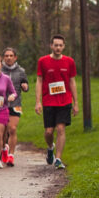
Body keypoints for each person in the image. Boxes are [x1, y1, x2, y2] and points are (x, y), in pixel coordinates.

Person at [35, 35, 78, 170]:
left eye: (60, 45)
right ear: (51, 46)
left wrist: (76, 102)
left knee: (60, 129)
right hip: (49, 100)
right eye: (56, 45)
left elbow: (72, 81)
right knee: (48, 132)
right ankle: (50, 148)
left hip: (64, 100)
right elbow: (39, 81)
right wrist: (38, 102)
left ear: (64, 46)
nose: (58, 47)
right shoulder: (43, 61)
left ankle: (58, 159)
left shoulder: (69, 62)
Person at [0, 47, 29, 166]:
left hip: (16, 104)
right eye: (6, 56)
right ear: (3, 57)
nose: (8, 58)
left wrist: (25, 86)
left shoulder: (21, 70)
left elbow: (25, 83)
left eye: (11, 55)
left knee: (12, 128)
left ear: (15, 57)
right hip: (1, 104)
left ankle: (11, 155)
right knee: (3, 131)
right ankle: (4, 149)